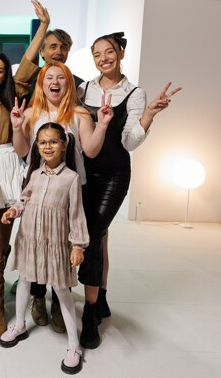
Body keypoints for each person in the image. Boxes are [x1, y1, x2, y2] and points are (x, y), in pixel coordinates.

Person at [77, 32, 181, 349]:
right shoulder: (83, 89)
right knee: (100, 236)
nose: (103, 58)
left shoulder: (135, 93)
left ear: (121, 53)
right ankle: (102, 296)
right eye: (97, 54)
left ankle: (90, 313)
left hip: (113, 175)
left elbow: (129, 142)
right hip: (83, 174)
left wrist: (148, 115)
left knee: (92, 235)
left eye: (109, 52)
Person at [10, 61, 112, 333]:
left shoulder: (80, 114)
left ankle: (59, 301)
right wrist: (17, 128)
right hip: (37, 185)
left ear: (69, 83)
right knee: (37, 240)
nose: (54, 82)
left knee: (61, 246)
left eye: (61, 77)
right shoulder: (30, 112)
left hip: (69, 189)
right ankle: (37, 297)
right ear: (41, 84)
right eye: (49, 78)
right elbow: (22, 151)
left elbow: (90, 151)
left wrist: (102, 125)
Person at [0, 0, 52, 338]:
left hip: (12, 169)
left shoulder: (13, 95)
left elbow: (30, 62)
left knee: (4, 245)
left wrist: (43, 26)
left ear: (5, 74)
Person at [0, 123, 89, 375]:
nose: (47, 146)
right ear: (36, 146)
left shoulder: (71, 178)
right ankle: (19, 325)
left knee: (61, 290)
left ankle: (74, 345)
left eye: (53, 141)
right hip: (29, 238)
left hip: (55, 244)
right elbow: (24, 199)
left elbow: (76, 214)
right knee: (24, 280)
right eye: (42, 142)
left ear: (64, 144)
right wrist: (14, 210)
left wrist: (78, 245)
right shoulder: (35, 175)